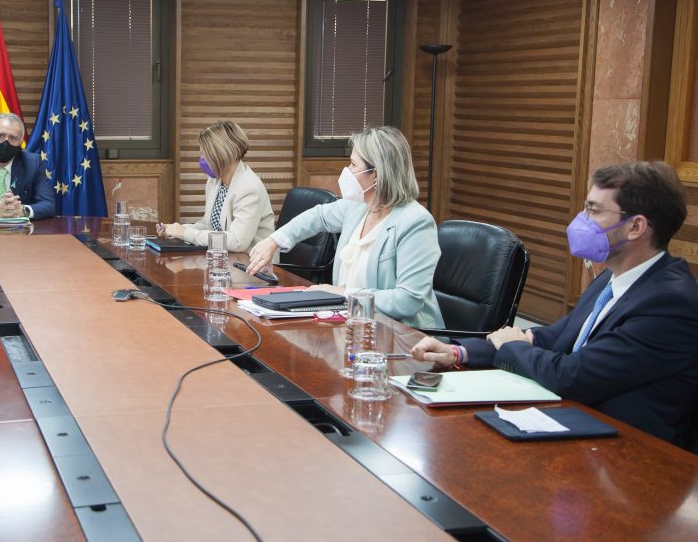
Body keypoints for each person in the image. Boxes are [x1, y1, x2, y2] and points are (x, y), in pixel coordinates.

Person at [411, 161, 698, 446]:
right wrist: (458, 353)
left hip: (632, 455)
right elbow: (552, 337)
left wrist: (513, 345)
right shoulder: (612, 277)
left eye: (593, 210)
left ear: (635, 227)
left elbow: (572, 377)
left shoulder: (669, 303)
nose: (580, 219)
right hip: (578, 427)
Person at [248, 126, 444, 329]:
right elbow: (318, 216)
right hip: (353, 325)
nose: (347, 171)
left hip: (405, 337)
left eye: (352, 164)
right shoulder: (359, 206)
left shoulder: (415, 222)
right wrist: (274, 241)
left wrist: (344, 293)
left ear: (375, 174)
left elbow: (407, 301)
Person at [157, 120, 274, 252]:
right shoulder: (215, 181)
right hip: (222, 259)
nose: (201, 159)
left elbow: (237, 242)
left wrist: (185, 234)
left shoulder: (249, 187)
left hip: (251, 264)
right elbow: (208, 226)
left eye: (205, 154)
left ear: (222, 154)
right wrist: (176, 230)